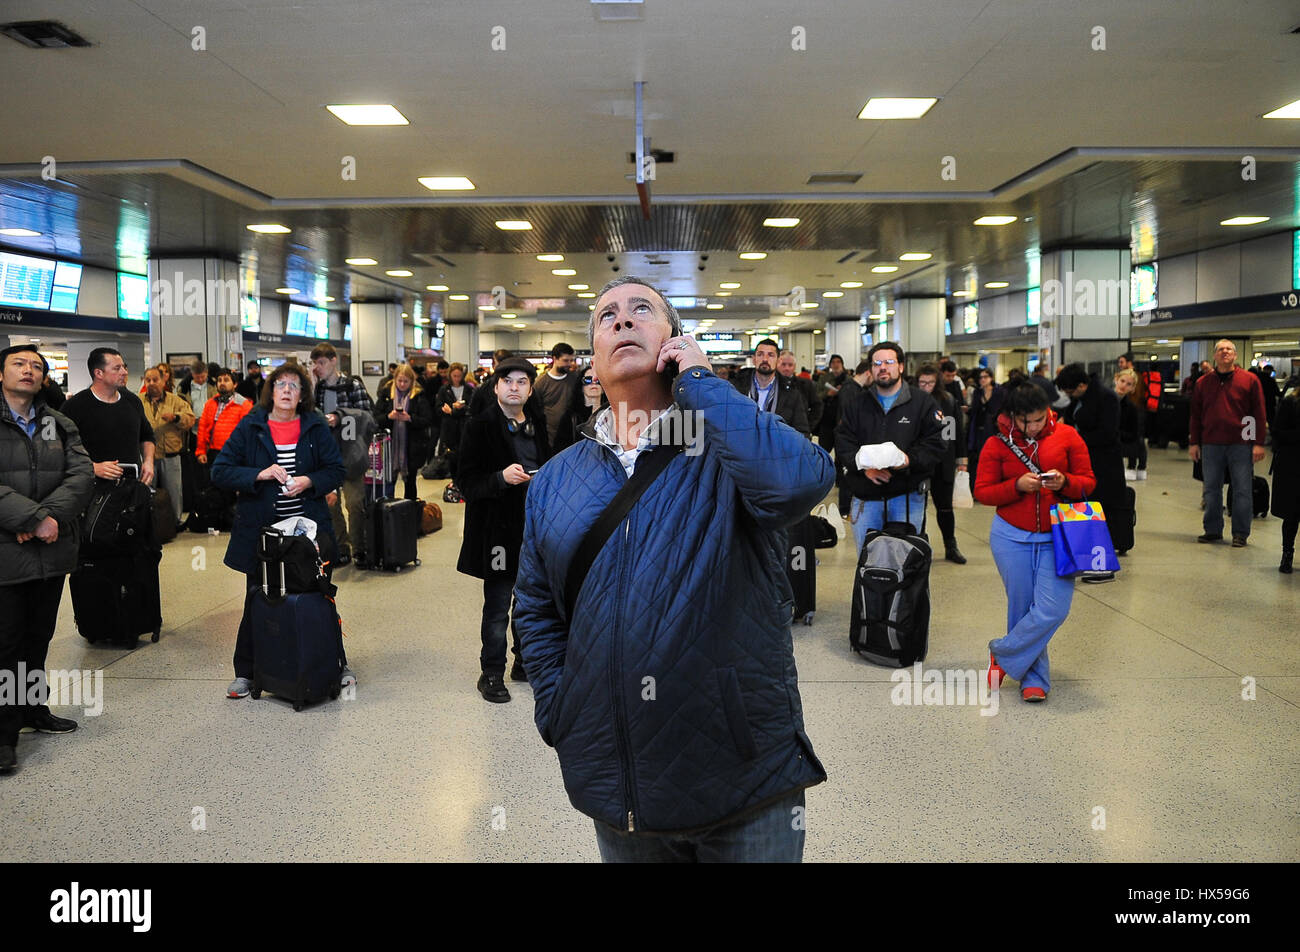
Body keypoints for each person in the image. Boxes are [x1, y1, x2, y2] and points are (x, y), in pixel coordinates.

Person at [514, 275, 833, 862]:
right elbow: (535, 607)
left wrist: (701, 384)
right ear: (593, 360)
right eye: (607, 315)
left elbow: (801, 482)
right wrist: (560, 709)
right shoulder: (558, 478)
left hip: (744, 775)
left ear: (675, 343)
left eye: (643, 310)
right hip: (619, 784)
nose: (622, 320)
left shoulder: (724, 448)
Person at [211, 362, 351, 699]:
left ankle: (334, 663)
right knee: (258, 598)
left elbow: (336, 470)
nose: (287, 390)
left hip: (307, 534)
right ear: (271, 391)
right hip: (264, 537)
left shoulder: (315, 426)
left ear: (303, 394)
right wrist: (258, 474)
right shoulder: (251, 426)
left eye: (294, 385)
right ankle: (246, 672)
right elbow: (221, 470)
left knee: (321, 596)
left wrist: (310, 481)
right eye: (281, 384)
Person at [0, 344, 95, 772]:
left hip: (50, 549)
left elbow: (82, 474)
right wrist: (31, 517)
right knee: (7, 644)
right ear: (1, 373)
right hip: (6, 551)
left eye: (36, 366)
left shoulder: (59, 423)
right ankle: (4, 731)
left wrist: (47, 519)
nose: (29, 371)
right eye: (19, 364)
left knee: (38, 638)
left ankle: (33, 708)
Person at [974, 383, 1097, 702]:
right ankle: (1035, 679)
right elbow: (983, 491)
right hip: (1010, 535)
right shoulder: (996, 443)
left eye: (1039, 420)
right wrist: (1016, 485)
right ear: (1012, 416)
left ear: (1049, 413)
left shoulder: (1068, 436)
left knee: (1052, 609)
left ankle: (1002, 653)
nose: (1032, 427)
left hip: (1060, 536)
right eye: (1025, 421)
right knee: (1022, 607)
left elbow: (1089, 481)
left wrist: (1065, 482)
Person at [457, 358, 551, 703]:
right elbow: (465, 482)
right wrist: (500, 478)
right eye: (507, 381)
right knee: (498, 606)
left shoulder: (538, 423)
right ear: (495, 387)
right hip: (497, 530)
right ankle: (491, 672)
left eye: (522, 382)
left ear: (530, 389)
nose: (514, 387)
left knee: (531, 601)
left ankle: (524, 662)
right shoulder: (479, 426)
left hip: (534, 528)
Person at [836, 341, 946, 555]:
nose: (883, 367)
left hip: (906, 497)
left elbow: (937, 442)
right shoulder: (857, 404)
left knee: (906, 563)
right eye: (877, 363)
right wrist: (865, 468)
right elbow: (843, 441)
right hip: (866, 498)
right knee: (869, 563)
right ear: (871, 369)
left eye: (889, 362)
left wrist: (908, 460)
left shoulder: (923, 403)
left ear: (901, 367)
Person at [1189, 340, 1267, 547]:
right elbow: (1196, 415)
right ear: (1215, 356)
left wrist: (1257, 442)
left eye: (1229, 349)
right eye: (1220, 349)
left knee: (1242, 489)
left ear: (1235, 355)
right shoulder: (1203, 383)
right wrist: (1194, 442)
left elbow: (1257, 413)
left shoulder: (1249, 380)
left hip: (1241, 444)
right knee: (1211, 490)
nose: (1225, 352)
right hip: (1211, 444)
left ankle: (1240, 533)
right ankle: (1213, 530)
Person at [1055, 363, 1127, 567]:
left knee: (1101, 505)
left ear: (1081, 385)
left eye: (1069, 390)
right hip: (1081, 461)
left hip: (1103, 462)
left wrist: (1075, 438)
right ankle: (1083, 546)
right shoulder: (1078, 399)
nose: (1068, 394)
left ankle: (1100, 553)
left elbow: (1108, 433)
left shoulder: (1106, 398)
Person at [310, 343, 372, 565]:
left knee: (354, 503)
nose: (318, 367)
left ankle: (360, 547)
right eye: (315, 363)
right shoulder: (318, 389)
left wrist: (340, 416)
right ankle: (341, 547)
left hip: (350, 453)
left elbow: (367, 415)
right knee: (330, 503)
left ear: (334, 361)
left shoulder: (352, 385)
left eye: (322, 363)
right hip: (326, 454)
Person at [62, 347, 156, 486]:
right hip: (91, 489)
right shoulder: (74, 406)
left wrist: (148, 461)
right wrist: (92, 467)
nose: (124, 372)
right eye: (117, 368)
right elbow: (59, 449)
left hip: (131, 487)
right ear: (99, 373)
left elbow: (147, 436)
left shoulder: (133, 401)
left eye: (124, 367)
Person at [915, 362, 969, 564]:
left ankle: (951, 545)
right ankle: (917, 546)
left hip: (943, 460)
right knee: (917, 507)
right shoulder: (910, 401)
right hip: (918, 461)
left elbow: (955, 433)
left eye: (930, 382)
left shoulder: (947, 400)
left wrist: (961, 461)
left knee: (945, 507)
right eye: (922, 382)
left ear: (937, 382)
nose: (926, 386)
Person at [140, 366, 196, 525]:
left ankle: (175, 522)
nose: (151, 383)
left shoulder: (176, 400)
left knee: (173, 492)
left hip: (170, 455)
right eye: (148, 380)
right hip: (146, 457)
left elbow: (190, 420)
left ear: (163, 380)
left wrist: (176, 418)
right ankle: (147, 523)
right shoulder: (138, 401)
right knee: (145, 492)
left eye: (155, 380)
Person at [372, 364, 431, 501]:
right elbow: (375, 418)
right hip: (389, 446)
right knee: (388, 481)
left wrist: (410, 418)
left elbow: (427, 419)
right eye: (400, 381)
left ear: (412, 381)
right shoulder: (386, 394)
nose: (402, 384)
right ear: (395, 379)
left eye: (406, 381)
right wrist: (388, 417)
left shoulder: (419, 396)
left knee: (410, 482)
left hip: (412, 446)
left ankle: (409, 511)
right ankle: (389, 510)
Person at [731, 340, 810, 435]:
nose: (765, 359)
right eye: (760, 354)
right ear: (754, 359)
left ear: (778, 360)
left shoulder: (791, 393)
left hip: (777, 448)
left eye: (770, 355)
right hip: (742, 447)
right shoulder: (734, 389)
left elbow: (802, 431)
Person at [195, 369, 253, 466]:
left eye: (226, 380)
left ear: (235, 384)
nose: (222, 383)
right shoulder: (210, 403)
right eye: (219, 380)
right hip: (213, 452)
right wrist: (201, 451)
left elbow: (248, 434)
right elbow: (203, 428)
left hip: (234, 454)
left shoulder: (243, 405)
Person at [1270, 384, 1300, 573]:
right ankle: (1287, 554)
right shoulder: (1290, 402)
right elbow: (1277, 431)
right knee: (1292, 515)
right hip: (1292, 465)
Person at [532, 342, 582, 451]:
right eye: (565, 360)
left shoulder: (575, 379)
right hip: (550, 438)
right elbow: (536, 411)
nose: (569, 364)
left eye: (571, 360)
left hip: (572, 436)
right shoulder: (541, 383)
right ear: (555, 358)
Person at [436, 363, 475, 484]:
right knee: (452, 457)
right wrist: (448, 409)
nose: (457, 378)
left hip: (465, 427)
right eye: (454, 376)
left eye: (459, 376)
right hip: (450, 430)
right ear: (450, 376)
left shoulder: (469, 389)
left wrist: (454, 411)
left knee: (465, 457)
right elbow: (438, 409)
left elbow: (473, 408)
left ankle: (464, 482)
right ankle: (455, 482)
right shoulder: (444, 390)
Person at [965, 367, 1004, 486]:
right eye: (981, 377)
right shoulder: (977, 392)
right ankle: (977, 484)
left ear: (991, 378)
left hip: (993, 428)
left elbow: (997, 409)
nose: (983, 380)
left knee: (992, 456)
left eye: (985, 377)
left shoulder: (999, 392)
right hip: (978, 428)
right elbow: (976, 410)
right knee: (977, 457)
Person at [778, 350, 822, 434]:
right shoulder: (771, 385)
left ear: (794, 366)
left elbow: (817, 406)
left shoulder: (806, 384)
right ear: (777, 365)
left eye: (790, 365)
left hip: (800, 433)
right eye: (783, 364)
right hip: (777, 432)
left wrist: (808, 426)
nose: (786, 368)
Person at [1114, 368, 1147, 481]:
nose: (1124, 386)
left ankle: (1135, 466)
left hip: (1120, 442)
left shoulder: (1132, 408)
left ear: (1132, 388)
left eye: (1128, 384)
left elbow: (1133, 434)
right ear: (1116, 380)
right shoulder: (1103, 400)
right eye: (1122, 381)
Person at [816, 354, 849, 449]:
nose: (836, 364)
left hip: (843, 419)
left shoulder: (848, 379)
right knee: (824, 448)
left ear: (842, 364)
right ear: (830, 365)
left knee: (842, 450)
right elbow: (816, 395)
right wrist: (828, 394)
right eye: (833, 362)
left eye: (838, 362)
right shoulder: (824, 378)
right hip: (826, 419)